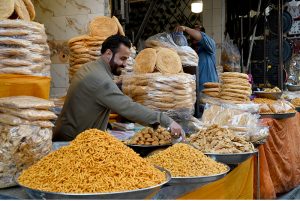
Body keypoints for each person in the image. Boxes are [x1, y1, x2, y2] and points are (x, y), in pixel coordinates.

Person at [53, 35, 183, 141]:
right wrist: (165, 120)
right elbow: (128, 107)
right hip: (72, 142)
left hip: (69, 135)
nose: (125, 64)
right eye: (122, 59)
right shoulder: (100, 79)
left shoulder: (90, 68)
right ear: (108, 53)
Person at [175, 25, 218, 90]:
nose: (193, 36)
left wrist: (185, 28)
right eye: (192, 33)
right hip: (194, 91)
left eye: (195, 33)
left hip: (210, 90)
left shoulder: (210, 46)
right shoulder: (189, 51)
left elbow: (201, 37)